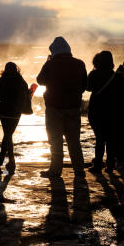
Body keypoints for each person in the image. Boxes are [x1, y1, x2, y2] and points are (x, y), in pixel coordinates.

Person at [36, 36, 87, 179]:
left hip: (54, 108)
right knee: (74, 141)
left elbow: (40, 80)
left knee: (55, 140)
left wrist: (47, 62)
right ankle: (79, 170)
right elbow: (84, 86)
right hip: (73, 108)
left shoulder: (50, 65)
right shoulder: (79, 64)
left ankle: (55, 170)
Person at [86, 51, 124, 173]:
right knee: (111, 140)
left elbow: (87, 88)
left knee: (99, 138)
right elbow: (122, 93)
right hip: (112, 112)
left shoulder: (94, 74)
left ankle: (98, 164)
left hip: (96, 111)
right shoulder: (116, 76)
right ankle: (110, 165)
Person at [0, 62, 30, 173]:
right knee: (8, 135)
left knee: (7, 135)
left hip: (4, 111)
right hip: (16, 113)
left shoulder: (2, 80)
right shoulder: (21, 80)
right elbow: (26, 93)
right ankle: (8, 161)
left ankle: (6, 160)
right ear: (16, 69)